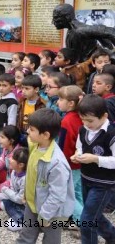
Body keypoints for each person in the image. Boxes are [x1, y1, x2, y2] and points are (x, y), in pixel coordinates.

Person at [16, 108, 75, 244]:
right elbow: (32, 177)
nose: (27, 132)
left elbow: (58, 195)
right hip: (32, 205)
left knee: (51, 241)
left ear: (45, 135)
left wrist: (45, 215)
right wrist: (26, 193)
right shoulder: (36, 145)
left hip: (53, 213)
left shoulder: (57, 163)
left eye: (31, 129)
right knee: (25, 238)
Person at [72, 94, 115, 243]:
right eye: (83, 119)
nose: (86, 123)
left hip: (104, 184)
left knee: (87, 221)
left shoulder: (111, 134)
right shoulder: (83, 130)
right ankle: (112, 236)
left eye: (90, 120)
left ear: (104, 116)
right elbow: (79, 147)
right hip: (86, 179)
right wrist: (77, 155)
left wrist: (95, 159)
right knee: (93, 214)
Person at [56, 85, 84, 229]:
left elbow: (64, 146)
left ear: (71, 103)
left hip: (69, 164)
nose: (57, 102)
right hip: (80, 163)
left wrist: (60, 163)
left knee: (69, 196)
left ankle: (83, 223)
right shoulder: (82, 117)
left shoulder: (67, 121)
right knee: (78, 193)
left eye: (61, 99)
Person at [0, 147, 28, 232]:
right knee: (1, 203)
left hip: (25, 207)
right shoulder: (14, 173)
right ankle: (18, 218)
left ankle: (23, 220)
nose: (9, 159)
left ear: (21, 165)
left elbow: (20, 199)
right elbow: (12, 192)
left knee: (10, 226)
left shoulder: (25, 178)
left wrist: (4, 189)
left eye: (13, 158)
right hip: (18, 202)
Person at [0, 73, 18, 160]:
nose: (1, 88)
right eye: (0, 85)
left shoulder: (12, 102)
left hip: (4, 137)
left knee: (3, 158)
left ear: (12, 87)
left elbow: (11, 122)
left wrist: (8, 137)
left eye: (4, 85)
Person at [16, 74, 45, 141]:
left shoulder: (42, 105)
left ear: (36, 89)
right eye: (22, 88)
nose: (23, 91)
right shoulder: (21, 101)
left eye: (27, 88)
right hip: (20, 134)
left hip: (34, 137)